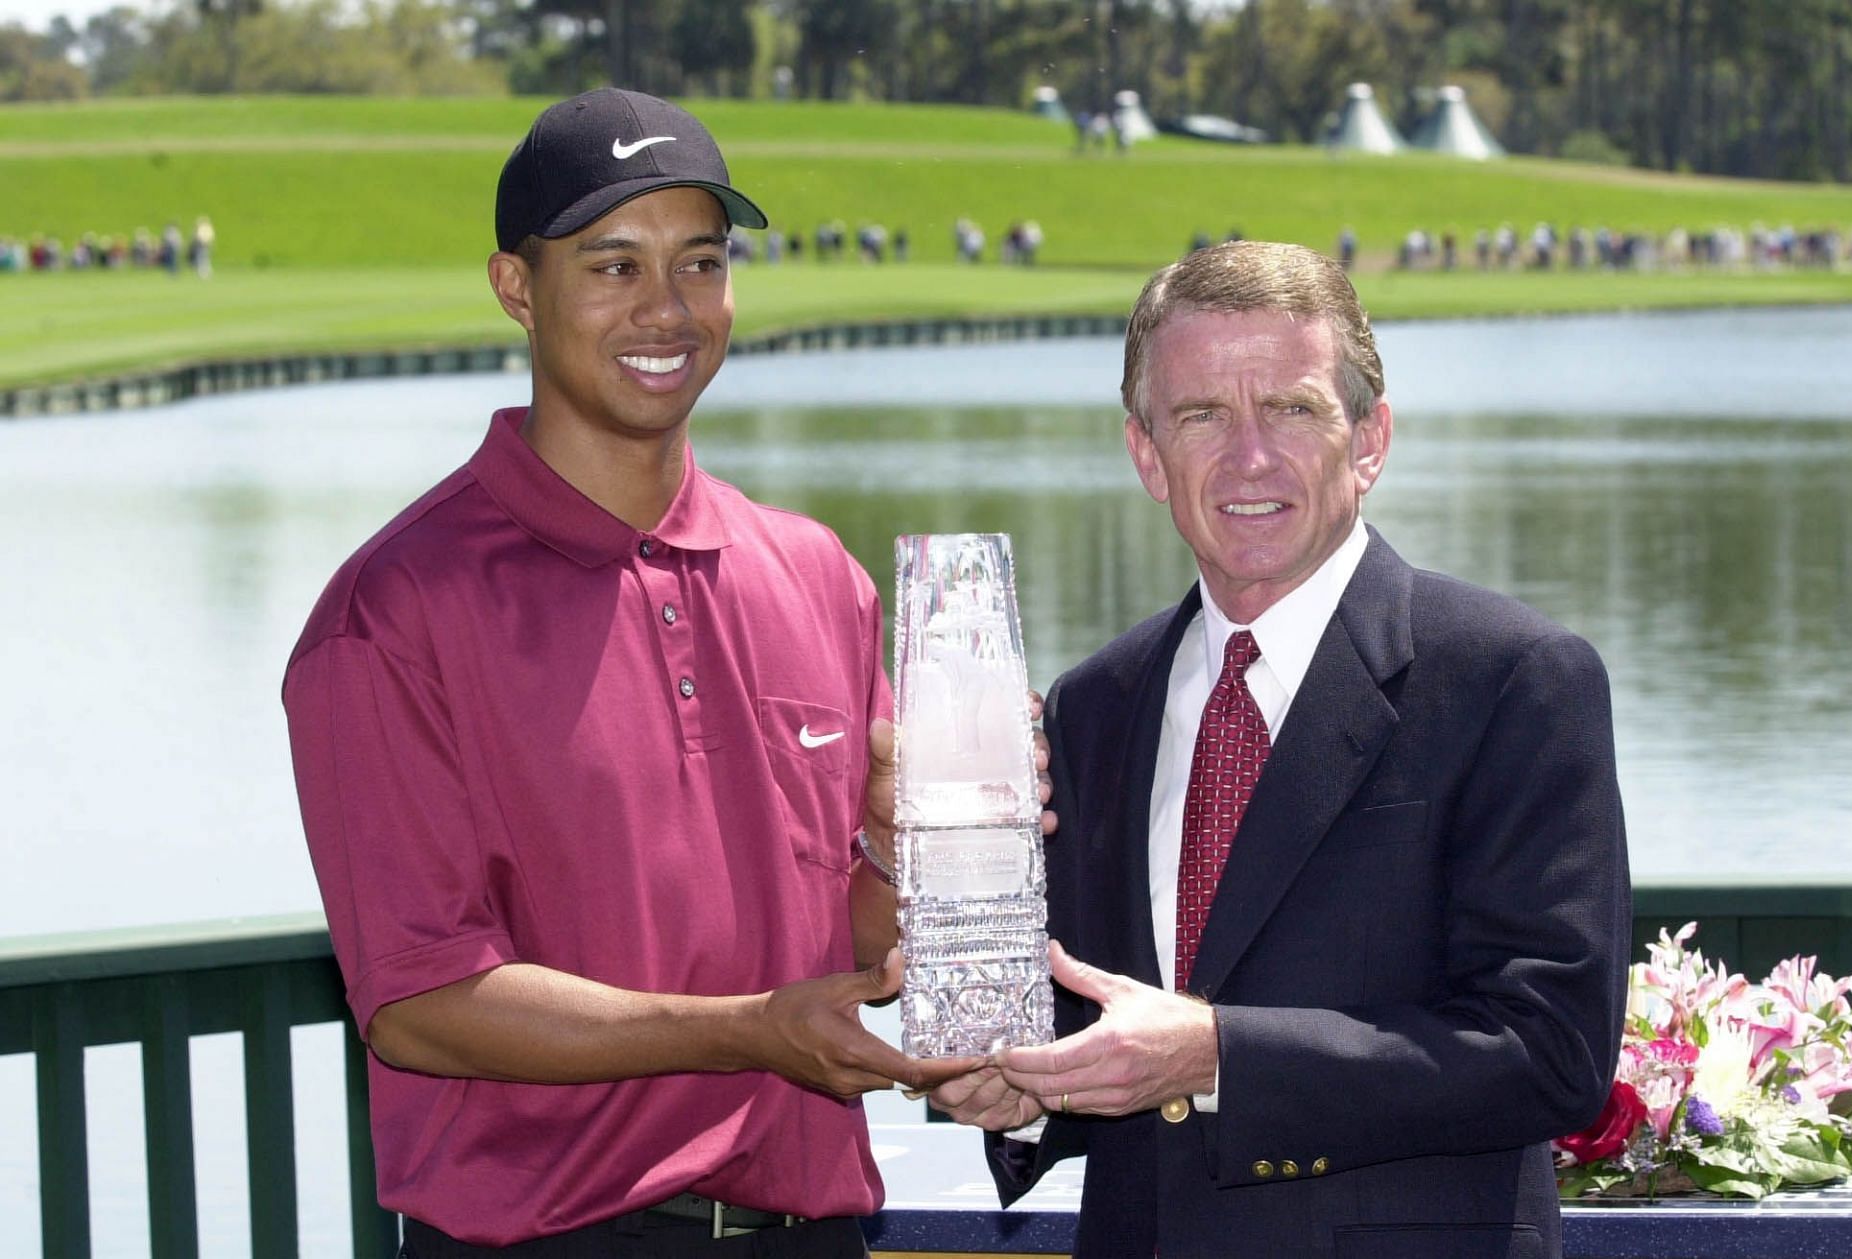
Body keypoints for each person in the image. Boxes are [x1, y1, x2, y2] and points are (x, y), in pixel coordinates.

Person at [283, 88, 981, 1256]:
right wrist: (753, 1030)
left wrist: (939, 849)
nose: (667, 309)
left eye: (700, 263)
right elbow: (420, 1003)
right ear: (518, 287)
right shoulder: (395, 610)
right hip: (550, 1237)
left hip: (811, 1227)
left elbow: (856, 933)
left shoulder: (818, 576)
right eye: (613, 266)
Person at [932, 241, 1631, 1258]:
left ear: (1370, 438)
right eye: (1202, 413)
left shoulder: (1511, 678)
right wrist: (1024, 1089)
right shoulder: (1094, 706)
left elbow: (1552, 1048)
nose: (1248, 455)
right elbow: (1098, 1026)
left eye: (1294, 408)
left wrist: (1218, 1056)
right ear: (1145, 452)